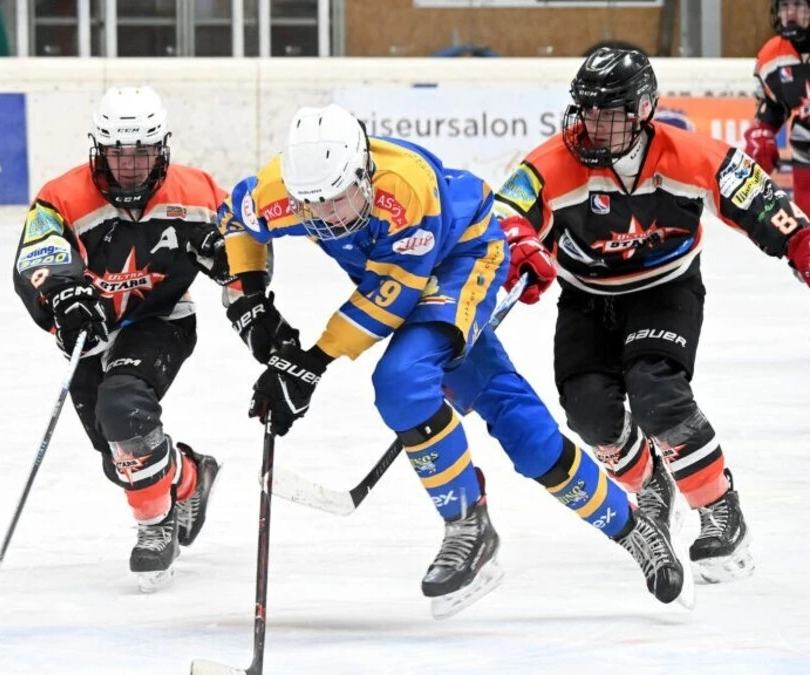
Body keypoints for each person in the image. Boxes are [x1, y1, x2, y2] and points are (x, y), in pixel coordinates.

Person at [217, 103, 692, 618]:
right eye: (313, 206)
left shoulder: (406, 188)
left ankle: (468, 523)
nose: (328, 217)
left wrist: (308, 364)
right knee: (521, 428)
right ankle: (632, 523)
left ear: (363, 172)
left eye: (338, 199)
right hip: (396, 273)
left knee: (402, 381)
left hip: (462, 257)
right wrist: (252, 301)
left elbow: (389, 298)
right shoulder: (285, 192)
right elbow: (236, 220)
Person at [493, 47, 810, 584]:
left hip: (666, 288)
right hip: (587, 297)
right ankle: (650, 484)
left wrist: (799, 240)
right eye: (586, 111)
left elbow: (757, 197)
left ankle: (720, 510)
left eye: (607, 114)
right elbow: (503, 213)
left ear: (642, 110)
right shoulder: (552, 164)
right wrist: (513, 243)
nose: (591, 126)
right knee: (589, 414)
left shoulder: (688, 154)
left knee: (657, 394)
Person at [12, 85, 231, 591]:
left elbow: (247, 251)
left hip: (161, 319)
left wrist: (235, 269)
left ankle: (156, 527)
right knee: (121, 458)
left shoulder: (197, 193)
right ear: (99, 149)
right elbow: (35, 259)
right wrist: (64, 298)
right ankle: (189, 476)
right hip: (92, 333)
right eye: (118, 153)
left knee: (122, 408)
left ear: (162, 148)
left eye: (143, 153)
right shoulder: (61, 197)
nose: (130, 166)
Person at [745, 0, 810, 213]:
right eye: (785, 5)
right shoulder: (772, 56)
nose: (790, 12)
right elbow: (773, 104)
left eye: (798, 5)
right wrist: (763, 131)